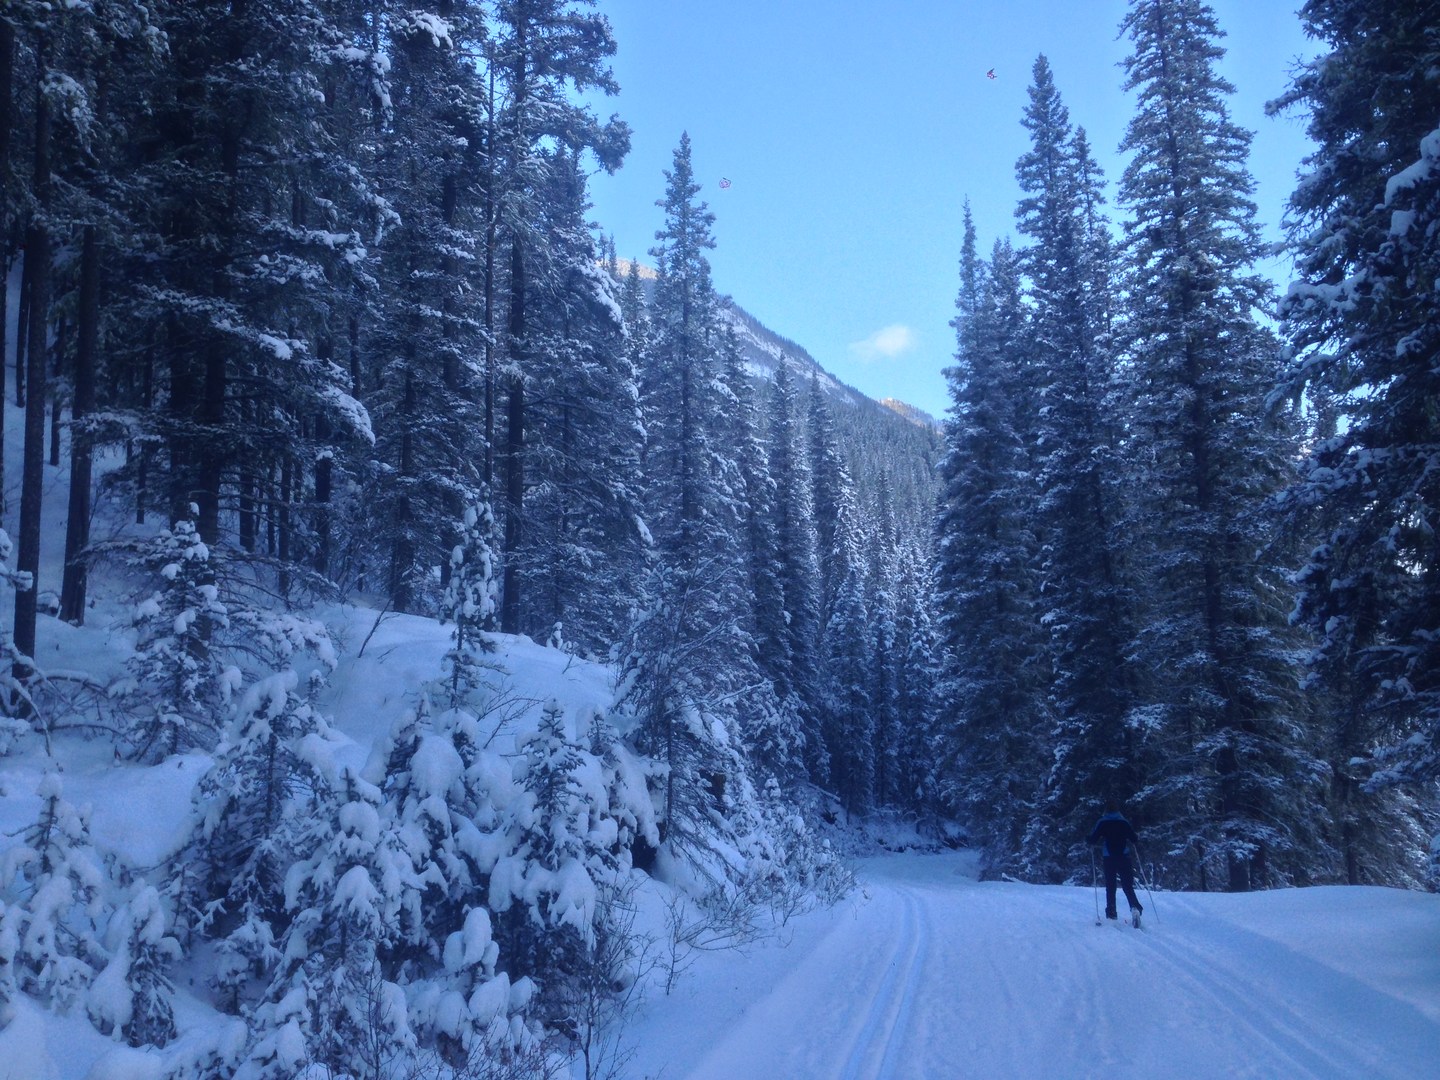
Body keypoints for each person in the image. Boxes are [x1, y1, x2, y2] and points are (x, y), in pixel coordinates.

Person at [1088, 801, 1143, 924]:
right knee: (1127, 885)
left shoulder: (1102, 822)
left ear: (1106, 811)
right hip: (1124, 856)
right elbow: (1134, 838)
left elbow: (1093, 838)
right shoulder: (1123, 822)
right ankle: (1134, 908)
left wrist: (1089, 841)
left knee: (1111, 885)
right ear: (1117, 810)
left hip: (1109, 857)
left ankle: (1111, 913)